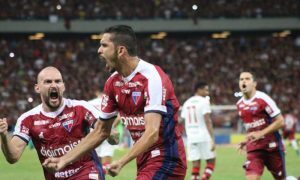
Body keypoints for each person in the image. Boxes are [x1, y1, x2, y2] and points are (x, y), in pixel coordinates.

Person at [43, 25, 187, 179]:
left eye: (104, 45)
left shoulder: (152, 78)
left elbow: (152, 133)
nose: (99, 50)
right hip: (144, 160)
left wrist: (121, 161)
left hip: (167, 158)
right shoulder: (112, 82)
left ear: (121, 51)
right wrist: (64, 159)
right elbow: (100, 131)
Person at [0, 66, 106, 180]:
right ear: (37, 88)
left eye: (58, 81)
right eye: (48, 82)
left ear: (63, 86)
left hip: (86, 172)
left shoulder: (81, 108)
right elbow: (13, 157)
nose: (54, 85)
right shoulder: (27, 119)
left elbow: (105, 130)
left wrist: (109, 132)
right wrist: (4, 135)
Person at [237, 71, 286, 180]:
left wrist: (261, 133)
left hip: (272, 148)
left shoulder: (263, 99)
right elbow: (252, 127)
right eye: (241, 79)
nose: (243, 81)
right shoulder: (239, 104)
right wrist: (247, 140)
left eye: (247, 79)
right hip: (254, 149)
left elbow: (281, 121)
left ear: (254, 84)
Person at [181, 82, 216, 180]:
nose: (207, 92)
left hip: (191, 137)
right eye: (205, 89)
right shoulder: (204, 102)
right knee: (211, 161)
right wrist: (212, 138)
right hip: (204, 136)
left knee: (196, 164)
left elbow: (183, 120)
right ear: (198, 90)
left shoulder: (186, 103)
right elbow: (207, 120)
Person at [88, 92, 121, 173]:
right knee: (106, 164)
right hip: (107, 133)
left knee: (94, 162)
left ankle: (95, 175)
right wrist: (111, 127)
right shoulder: (111, 103)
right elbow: (119, 117)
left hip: (92, 134)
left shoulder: (89, 103)